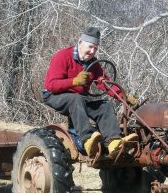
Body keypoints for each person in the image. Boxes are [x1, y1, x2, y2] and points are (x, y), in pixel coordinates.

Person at [42, 27, 138, 158]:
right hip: (54, 96)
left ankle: (114, 142)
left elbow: (105, 83)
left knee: (104, 105)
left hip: (79, 98)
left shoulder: (94, 64)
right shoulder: (63, 56)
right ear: (80, 43)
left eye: (96, 48)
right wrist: (74, 81)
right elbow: (51, 85)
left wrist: (123, 97)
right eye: (90, 47)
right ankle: (87, 140)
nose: (92, 51)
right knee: (75, 99)